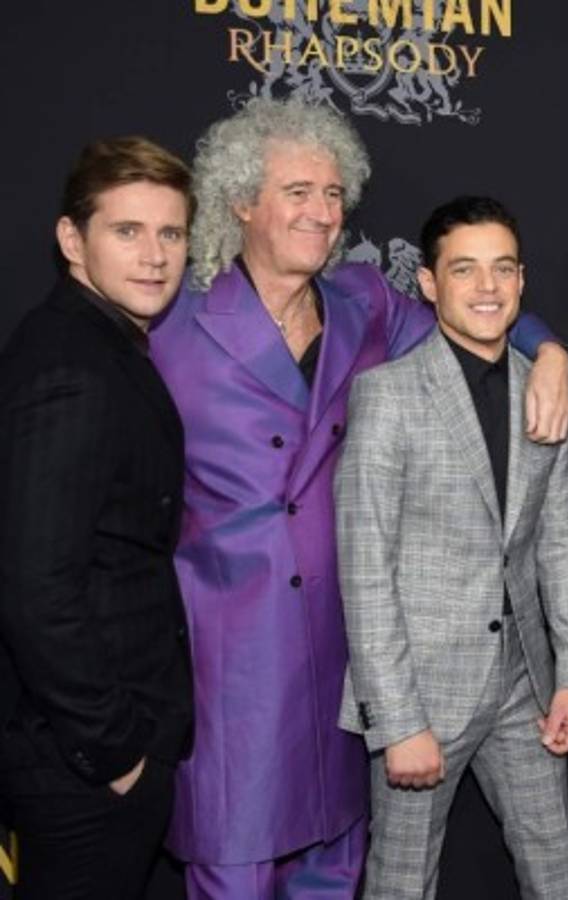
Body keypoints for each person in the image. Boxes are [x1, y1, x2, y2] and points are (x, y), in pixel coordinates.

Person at [150, 98, 568, 898]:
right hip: (230, 655)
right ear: (242, 200)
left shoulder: (362, 301)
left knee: (338, 865)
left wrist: (550, 349)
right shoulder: (174, 316)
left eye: (333, 193)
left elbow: (476, 314)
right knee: (232, 867)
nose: (322, 211)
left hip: (349, 650)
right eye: (297, 192)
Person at [336, 196, 568, 899]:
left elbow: (564, 546)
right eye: (465, 270)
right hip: (421, 694)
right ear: (429, 284)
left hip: (526, 684)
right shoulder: (386, 396)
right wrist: (397, 722)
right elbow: (365, 572)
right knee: (400, 882)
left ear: (521, 281)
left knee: (555, 872)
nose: (487, 288)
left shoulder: (549, 392)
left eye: (502, 269)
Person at [0, 137, 194, 898]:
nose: (154, 257)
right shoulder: (71, 369)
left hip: (84, 748)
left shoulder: (99, 344)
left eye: (170, 233)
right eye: (127, 231)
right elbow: (33, 585)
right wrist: (112, 752)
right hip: (78, 759)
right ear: (71, 240)